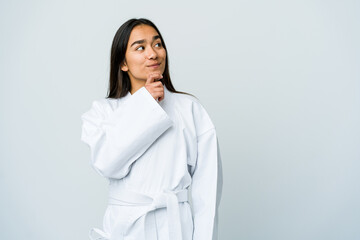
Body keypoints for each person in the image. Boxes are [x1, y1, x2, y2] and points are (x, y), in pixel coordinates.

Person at [80, 18, 223, 240]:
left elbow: (208, 191)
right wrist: (146, 104)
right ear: (123, 63)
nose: (153, 54)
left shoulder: (190, 109)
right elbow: (107, 163)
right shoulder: (103, 112)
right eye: (140, 48)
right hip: (126, 229)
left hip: (176, 228)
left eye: (157, 44)